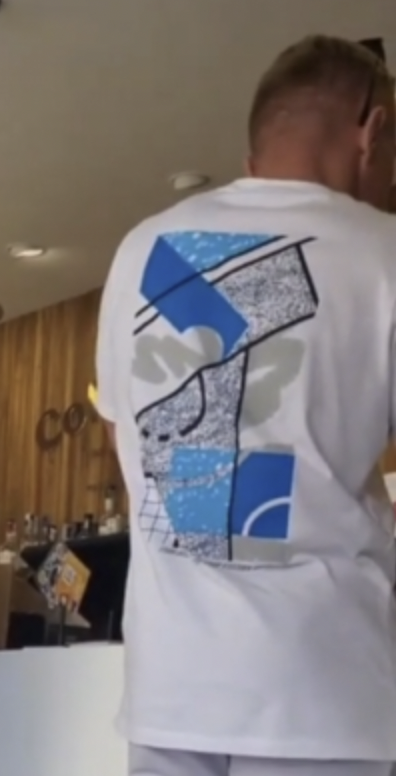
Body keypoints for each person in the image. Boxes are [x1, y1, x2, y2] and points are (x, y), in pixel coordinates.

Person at [96, 35, 396, 776]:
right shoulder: (384, 252)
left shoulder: (140, 251)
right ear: (374, 130)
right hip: (325, 696)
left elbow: (123, 443)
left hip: (172, 690)